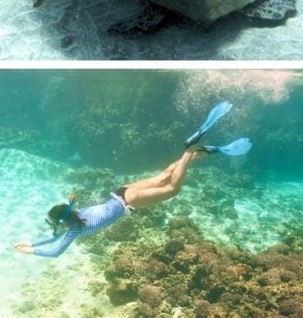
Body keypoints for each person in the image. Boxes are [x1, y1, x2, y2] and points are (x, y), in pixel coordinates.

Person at [15, 101, 250, 258]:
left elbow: (56, 251)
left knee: (172, 188)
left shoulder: (75, 229)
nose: (53, 227)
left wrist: (31, 253)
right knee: (165, 175)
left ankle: (190, 149)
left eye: (53, 223)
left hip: (128, 202)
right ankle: (204, 152)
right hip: (121, 191)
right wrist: (32, 243)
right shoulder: (74, 216)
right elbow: (53, 236)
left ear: (62, 222)